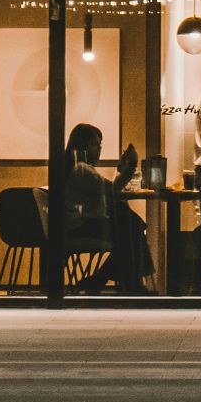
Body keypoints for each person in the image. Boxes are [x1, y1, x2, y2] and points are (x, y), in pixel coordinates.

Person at [63, 123, 154, 293]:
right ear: (85, 146)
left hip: (77, 225)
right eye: (96, 144)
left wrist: (121, 170)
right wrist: (131, 166)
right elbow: (112, 190)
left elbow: (107, 189)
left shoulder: (73, 169)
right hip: (83, 226)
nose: (99, 149)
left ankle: (102, 280)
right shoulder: (81, 169)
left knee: (130, 233)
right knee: (132, 234)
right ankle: (124, 283)